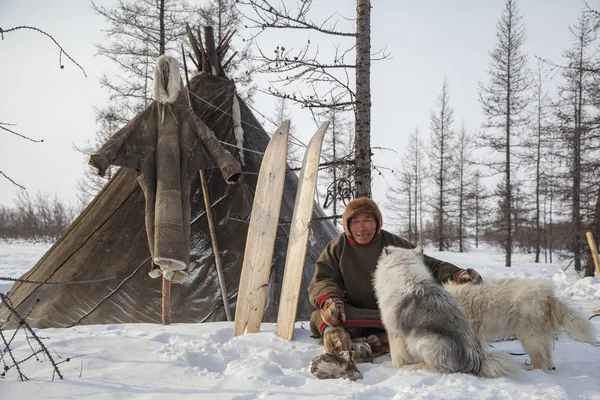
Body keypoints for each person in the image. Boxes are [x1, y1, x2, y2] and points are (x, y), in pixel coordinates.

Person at [307, 197, 483, 360]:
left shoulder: (393, 244)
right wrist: (330, 300)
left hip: (393, 312)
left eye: (367, 220)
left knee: (414, 318)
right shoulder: (337, 247)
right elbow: (323, 278)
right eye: (356, 222)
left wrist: (457, 274)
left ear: (377, 222)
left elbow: (430, 265)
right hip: (353, 311)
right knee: (321, 316)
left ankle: (372, 345)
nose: (362, 228)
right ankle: (338, 339)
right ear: (347, 225)